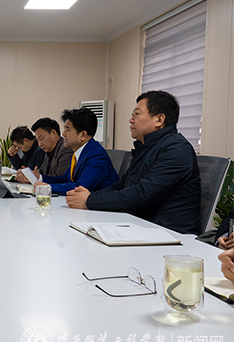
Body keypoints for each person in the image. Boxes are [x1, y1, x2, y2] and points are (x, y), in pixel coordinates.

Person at [66, 90, 201, 234]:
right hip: (141, 224)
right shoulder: (147, 147)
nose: (131, 120)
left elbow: (141, 194)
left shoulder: (177, 149)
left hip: (168, 232)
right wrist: (87, 196)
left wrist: (89, 200)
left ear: (159, 120)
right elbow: (121, 186)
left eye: (136, 114)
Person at [21, 108, 118, 195]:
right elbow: (64, 179)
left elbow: (80, 188)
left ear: (82, 135)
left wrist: (47, 188)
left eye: (67, 129)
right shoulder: (79, 152)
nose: (63, 134)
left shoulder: (96, 156)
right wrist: (39, 178)